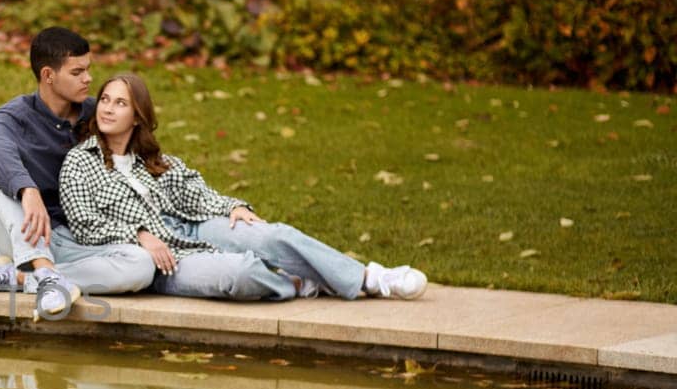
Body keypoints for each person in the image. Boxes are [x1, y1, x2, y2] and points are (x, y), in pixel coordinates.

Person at [59, 72, 427, 301]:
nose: (107, 108)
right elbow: (83, 222)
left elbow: (195, 191)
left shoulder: (150, 159)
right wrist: (139, 235)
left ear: (137, 117)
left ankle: (370, 277)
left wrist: (234, 207)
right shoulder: (80, 162)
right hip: (161, 259)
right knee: (240, 274)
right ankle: (301, 283)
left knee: (268, 235)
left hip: (188, 225)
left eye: (119, 103)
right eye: (105, 100)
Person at [0, 27, 156, 319]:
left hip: (75, 237)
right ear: (48, 75)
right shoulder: (17, 116)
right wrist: (28, 191)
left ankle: (25, 279)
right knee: (5, 171)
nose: (88, 79)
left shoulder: (95, 113)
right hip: (22, 236)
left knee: (141, 267)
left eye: (88, 70)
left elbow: (142, 154)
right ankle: (40, 271)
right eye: (77, 72)